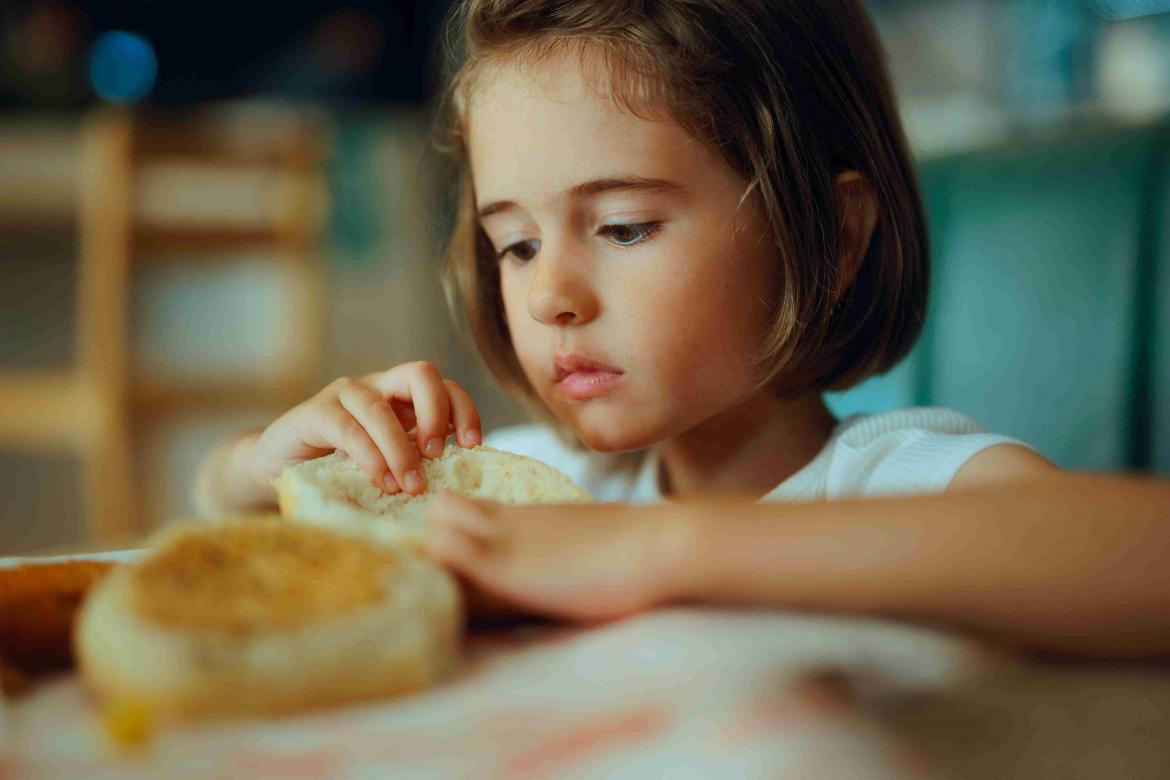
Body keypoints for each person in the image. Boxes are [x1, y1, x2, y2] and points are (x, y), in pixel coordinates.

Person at [194, 0, 1170, 659]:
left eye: (622, 227)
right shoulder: (546, 490)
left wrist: (657, 549)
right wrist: (257, 465)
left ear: (828, 239)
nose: (547, 298)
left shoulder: (895, 481)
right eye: (517, 244)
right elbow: (226, 534)